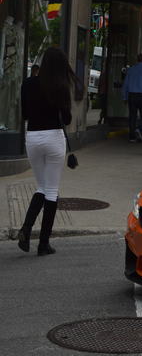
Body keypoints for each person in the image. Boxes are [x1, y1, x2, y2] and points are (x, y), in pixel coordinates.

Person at [17, 47, 73, 256]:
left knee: (41, 186)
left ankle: (26, 228)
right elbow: (66, 119)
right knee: (51, 190)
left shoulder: (28, 83)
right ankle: (43, 243)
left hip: (33, 137)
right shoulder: (60, 86)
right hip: (54, 138)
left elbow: (24, 114)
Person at [122, 54, 142, 143]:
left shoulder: (131, 70)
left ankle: (132, 136)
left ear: (137, 60)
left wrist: (125, 97)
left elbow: (126, 84)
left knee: (132, 116)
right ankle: (139, 129)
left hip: (132, 95)